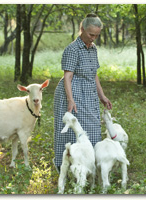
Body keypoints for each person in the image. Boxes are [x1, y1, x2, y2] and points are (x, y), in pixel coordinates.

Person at [53, 13, 112, 173]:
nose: (93, 38)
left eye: (97, 35)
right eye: (91, 34)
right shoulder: (72, 49)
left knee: (92, 128)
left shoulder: (93, 49)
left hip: (89, 93)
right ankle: (65, 166)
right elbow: (68, 76)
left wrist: (102, 96)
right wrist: (70, 99)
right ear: (82, 30)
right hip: (73, 91)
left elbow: (94, 75)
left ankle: (89, 167)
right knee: (71, 131)